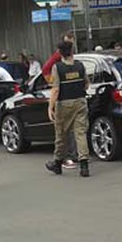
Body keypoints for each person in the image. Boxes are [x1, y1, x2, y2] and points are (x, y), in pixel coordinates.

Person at [45, 41, 90, 177]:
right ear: (72, 51)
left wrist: (50, 106)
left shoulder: (57, 68)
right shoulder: (80, 66)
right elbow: (87, 84)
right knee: (80, 133)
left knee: (61, 134)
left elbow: (56, 89)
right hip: (81, 101)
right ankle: (84, 165)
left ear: (60, 53)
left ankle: (57, 163)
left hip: (64, 103)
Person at [42, 31, 77, 170]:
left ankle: (69, 156)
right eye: (69, 40)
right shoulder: (59, 57)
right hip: (65, 95)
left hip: (69, 95)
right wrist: (53, 81)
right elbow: (46, 69)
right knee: (67, 129)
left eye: (72, 40)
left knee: (70, 129)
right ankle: (67, 157)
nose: (71, 43)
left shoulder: (71, 57)